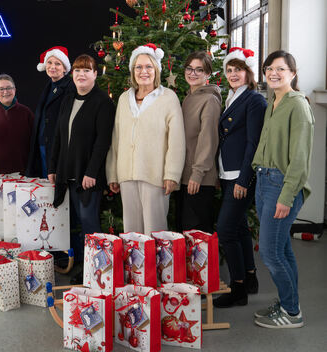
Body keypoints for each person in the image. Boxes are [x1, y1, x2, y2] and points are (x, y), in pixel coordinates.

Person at [252, 51, 314, 329]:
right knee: (283, 249)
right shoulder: (273, 102)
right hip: (265, 180)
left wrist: (286, 196)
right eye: (269, 69)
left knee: (270, 252)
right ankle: (289, 303)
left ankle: (292, 313)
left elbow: (300, 160)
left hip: (282, 185)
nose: (273, 73)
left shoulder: (297, 105)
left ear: (293, 72)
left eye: (280, 68)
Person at [48, 54, 115, 282]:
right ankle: (88, 268)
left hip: (88, 177)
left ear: (95, 74)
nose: (81, 75)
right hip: (68, 173)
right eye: (77, 71)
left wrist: (91, 172)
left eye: (86, 70)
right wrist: (53, 166)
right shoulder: (68, 99)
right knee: (79, 223)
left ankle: (97, 274)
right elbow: (58, 135)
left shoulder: (103, 102)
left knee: (90, 225)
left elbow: (102, 141)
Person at [106, 43, 186, 235]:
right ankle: (136, 266)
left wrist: (172, 174)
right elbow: (116, 138)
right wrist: (113, 174)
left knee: (155, 231)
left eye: (148, 67)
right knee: (131, 232)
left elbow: (177, 141)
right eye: (139, 67)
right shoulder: (125, 99)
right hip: (127, 174)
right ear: (133, 71)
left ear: (156, 70)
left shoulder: (168, 98)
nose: (144, 71)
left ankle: (156, 266)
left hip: (155, 176)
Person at [213, 48, 267, 308]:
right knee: (240, 226)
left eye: (239, 70)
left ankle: (238, 289)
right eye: (230, 70)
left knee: (225, 229)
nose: (234, 74)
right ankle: (250, 276)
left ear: (248, 72)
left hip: (240, 175)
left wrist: (244, 179)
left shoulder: (254, 101)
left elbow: (253, 143)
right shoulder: (232, 96)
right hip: (227, 172)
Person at [176, 51, 221, 233]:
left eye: (199, 70)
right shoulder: (189, 98)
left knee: (197, 236)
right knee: (184, 231)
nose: (192, 73)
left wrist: (197, 173)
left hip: (199, 179)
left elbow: (207, 139)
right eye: (190, 68)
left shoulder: (209, 100)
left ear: (208, 74)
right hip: (185, 176)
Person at [26, 46, 75, 178]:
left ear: (65, 68)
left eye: (57, 63)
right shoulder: (48, 87)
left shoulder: (70, 88)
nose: (52, 66)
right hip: (43, 145)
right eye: (49, 62)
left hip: (57, 149)